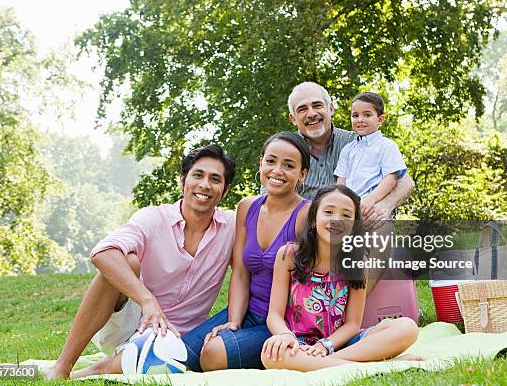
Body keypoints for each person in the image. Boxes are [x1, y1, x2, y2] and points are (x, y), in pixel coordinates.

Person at [45, 144, 237, 379]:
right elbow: (102, 252)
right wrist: (147, 301)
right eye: (198, 175)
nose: (205, 185)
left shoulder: (233, 228)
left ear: (225, 190)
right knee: (126, 260)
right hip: (131, 323)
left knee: (159, 360)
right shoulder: (154, 217)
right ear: (182, 180)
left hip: (180, 338)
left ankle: (100, 368)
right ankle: (62, 366)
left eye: (215, 179)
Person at [181, 131, 311, 371]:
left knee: (213, 355)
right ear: (261, 162)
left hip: (286, 324)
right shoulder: (247, 207)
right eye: (271, 161)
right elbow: (240, 273)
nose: (277, 171)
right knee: (181, 355)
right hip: (249, 311)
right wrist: (234, 322)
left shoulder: (307, 214)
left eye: (289, 165)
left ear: (302, 174)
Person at [260, 185, 420, 371]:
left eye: (346, 215)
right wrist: (285, 335)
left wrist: (326, 346)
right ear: (313, 219)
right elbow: (274, 315)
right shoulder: (288, 255)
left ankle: (329, 363)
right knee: (271, 356)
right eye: (328, 212)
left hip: (341, 343)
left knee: (408, 327)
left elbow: (353, 324)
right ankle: (378, 366)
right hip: (299, 342)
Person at [287, 82, 414, 226]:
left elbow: (405, 182)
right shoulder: (286, 150)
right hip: (305, 232)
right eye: (302, 109)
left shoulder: (358, 141)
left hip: (360, 223)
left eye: (317, 105)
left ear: (331, 109)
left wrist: (385, 205)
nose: (312, 114)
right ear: (293, 118)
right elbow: (270, 199)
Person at [335, 92, 406, 219]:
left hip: (374, 207)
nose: (360, 119)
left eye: (367, 115)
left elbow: (391, 178)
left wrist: (371, 199)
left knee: (375, 237)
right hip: (349, 210)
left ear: (380, 119)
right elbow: (341, 180)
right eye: (355, 115)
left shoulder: (387, 146)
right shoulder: (347, 149)